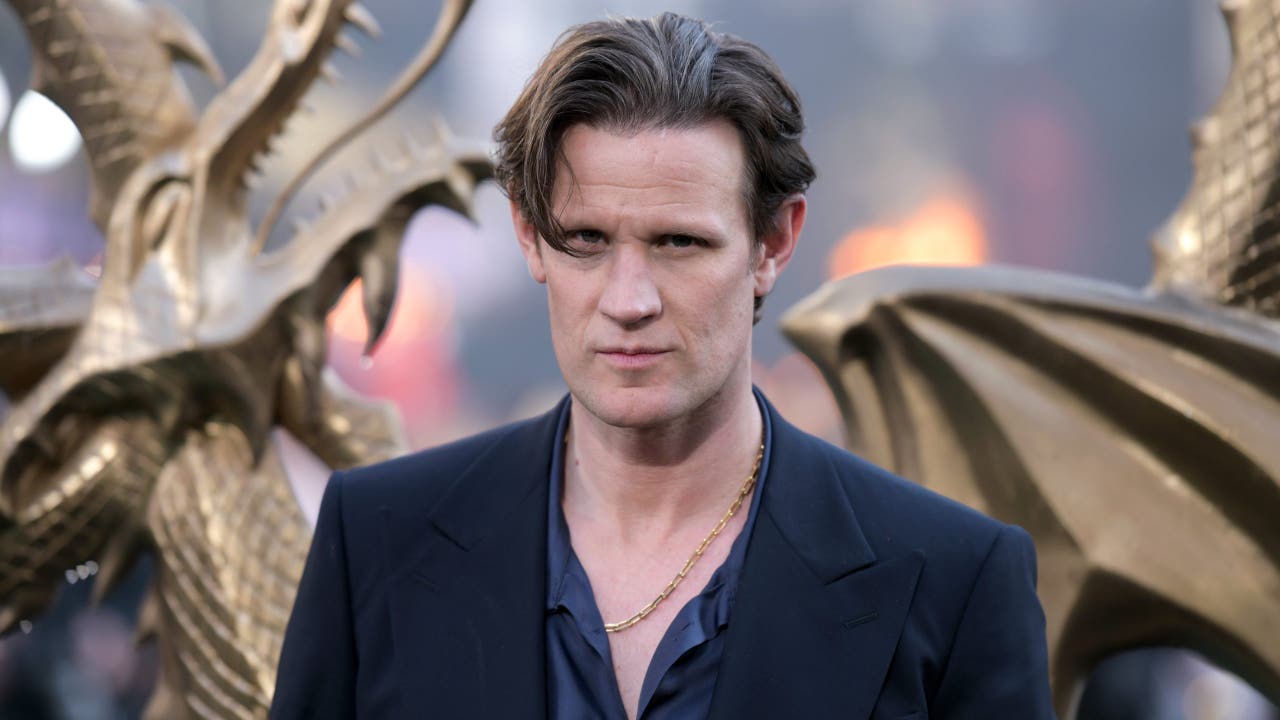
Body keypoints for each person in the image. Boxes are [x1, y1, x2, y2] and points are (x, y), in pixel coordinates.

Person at [270, 12, 1053, 719]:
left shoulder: (951, 580)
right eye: (586, 241)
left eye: (679, 242)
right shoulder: (377, 540)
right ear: (529, 236)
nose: (629, 300)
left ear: (773, 243)